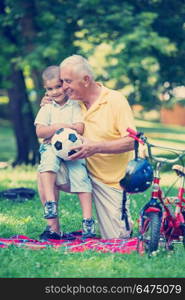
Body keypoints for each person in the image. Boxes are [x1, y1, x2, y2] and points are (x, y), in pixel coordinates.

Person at [40, 55, 136, 239]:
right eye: (62, 82)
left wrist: (96, 147)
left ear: (86, 80)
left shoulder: (115, 100)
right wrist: (47, 106)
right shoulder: (69, 102)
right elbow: (46, 129)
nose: (64, 87)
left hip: (109, 182)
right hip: (77, 169)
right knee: (46, 167)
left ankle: (120, 221)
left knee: (117, 237)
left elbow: (132, 141)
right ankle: (53, 229)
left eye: (67, 81)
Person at [35, 65, 95, 241]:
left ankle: (88, 222)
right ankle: (50, 204)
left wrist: (56, 128)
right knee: (47, 164)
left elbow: (80, 127)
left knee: (81, 178)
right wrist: (58, 128)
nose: (54, 92)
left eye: (57, 86)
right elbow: (40, 132)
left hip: (72, 151)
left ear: (65, 85)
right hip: (51, 149)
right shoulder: (47, 108)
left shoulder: (75, 105)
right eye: (49, 89)